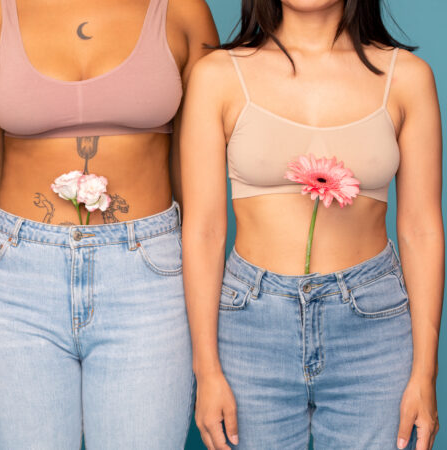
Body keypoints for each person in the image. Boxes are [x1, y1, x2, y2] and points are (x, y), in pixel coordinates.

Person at [181, 1, 443, 449]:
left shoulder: (407, 76)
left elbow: (420, 228)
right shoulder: (218, 75)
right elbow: (204, 229)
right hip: (251, 324)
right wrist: (206, 372)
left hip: (373, 326)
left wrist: (425, 372)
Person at [0, 0, 217, 447]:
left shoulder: (182, 11)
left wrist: (209, 355)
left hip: (148, 279)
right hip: (15, 281)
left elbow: (200, 197)